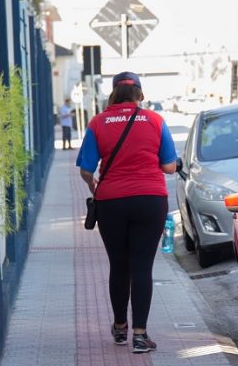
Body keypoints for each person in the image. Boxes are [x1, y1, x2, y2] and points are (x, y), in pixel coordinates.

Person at [75, 71, 177, 353]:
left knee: (119, 265)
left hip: (112, 202)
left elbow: (86, 168)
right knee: (142, 266)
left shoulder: (98, 122)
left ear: (113, 94)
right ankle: (141, 336)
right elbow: (169, 166)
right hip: (150, 200)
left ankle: (120, 328)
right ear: (140, 95)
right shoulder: (155, 121)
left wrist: (93, 184)